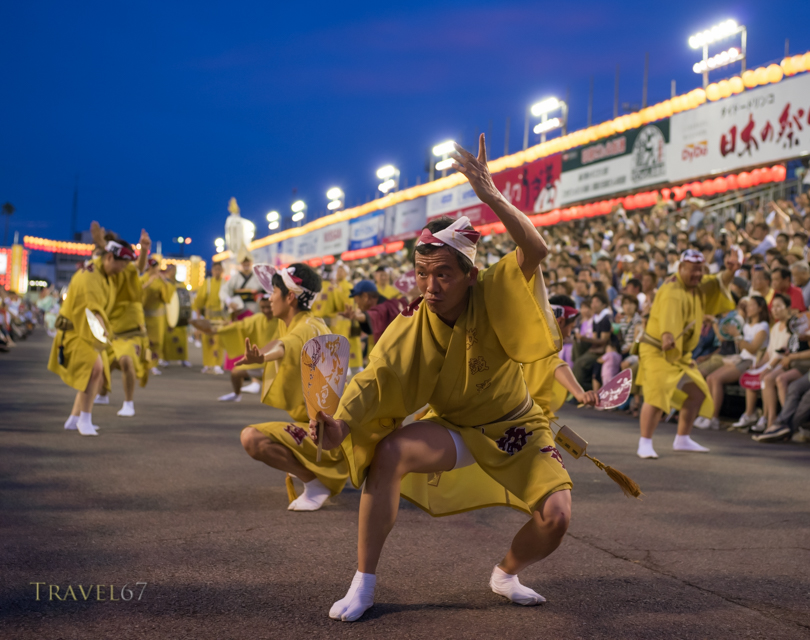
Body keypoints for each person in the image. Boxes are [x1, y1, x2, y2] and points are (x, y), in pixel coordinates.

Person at [314, 137, 571, 622]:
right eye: (421, 275)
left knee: (556, 518)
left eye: (444, 276)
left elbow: (535, 247)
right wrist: (341, 427)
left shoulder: (494, 290)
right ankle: (363, 583)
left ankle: (506, 574)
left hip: (516, 423)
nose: (430, 288)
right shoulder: (410, 327)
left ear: (470, 275)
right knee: (388, 453)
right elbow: (373, 380)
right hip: (455, 429)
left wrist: (492, 196)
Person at [238, 264, 348, 512]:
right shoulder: (308, 322)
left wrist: (263, 359)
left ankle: (317, 483)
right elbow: (286, 342)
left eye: (274, 291)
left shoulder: (305, 329)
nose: (269, 298)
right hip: (331, 430)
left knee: (253, 438)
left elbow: (289, 345)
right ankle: (319, 471)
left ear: (290, 296)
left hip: (330, 436)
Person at [636, 249, 736, 458]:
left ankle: (682, 438)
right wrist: (667, 337)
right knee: (657, 392)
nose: (697, 275)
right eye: (693, 271)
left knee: (697, 392)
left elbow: (717, 283)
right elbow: (669, 318)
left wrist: (730, 271)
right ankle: (644, 442)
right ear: (681, 268)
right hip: (657, 349)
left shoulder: (697, 284)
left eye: (700, 271)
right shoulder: (671, 290)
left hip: (679, 354)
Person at [48, 240, 135, 435]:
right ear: (110, 257)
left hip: (85, 330)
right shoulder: (90, 275)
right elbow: (92, 308)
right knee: (94, 370)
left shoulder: (104, 274)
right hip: (75, 332)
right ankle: (84, 420)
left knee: (97, 374)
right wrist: (102, 329)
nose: (122, 270)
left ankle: (74, 418)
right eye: (122, 265)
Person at [96, 228, 152, 417]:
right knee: (107, 364)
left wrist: (144, 250)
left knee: (126, 361)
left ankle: (129, 403)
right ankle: (102, 394)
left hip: (132, 328)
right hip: (111, 324)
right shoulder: (104, 268)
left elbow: (140, 266)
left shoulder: (127, 267)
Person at [194, 293, 282, 402]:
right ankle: (236, 394)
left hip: (277, 362)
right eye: (263, 307)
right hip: (259, 361)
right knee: (236, 372)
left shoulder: (281, 321)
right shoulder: (258, 319)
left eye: (268, 307)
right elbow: (238, 326)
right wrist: (215, 330)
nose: (266, 310)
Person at [523, 294, 599, 421]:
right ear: (561, 321)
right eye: (571, 327)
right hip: (532, 421)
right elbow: (555, 364)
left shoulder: (526, 336)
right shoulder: (546, 346)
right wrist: (579, 393)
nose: (569, 334)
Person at [703, 296, 770, 430]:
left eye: (751, 305)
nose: (748, 308)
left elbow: (752, 349)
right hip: (740, 358)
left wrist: (737, 336)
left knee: (716, 379)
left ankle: (714, 418)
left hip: (751, 361)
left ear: (760, 308)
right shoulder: (746, 325)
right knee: (710, 378)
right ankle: (707, 415)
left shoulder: (763, 326)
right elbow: (737, 345)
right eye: (747, 305)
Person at [734, 294, 792, 432]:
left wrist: (768, 368)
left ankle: (771, 418)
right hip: (771, 364)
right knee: (753, 374)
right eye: (774, 307)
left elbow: (782, 352)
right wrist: (758, 365)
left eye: (779, 306)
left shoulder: (791, 325)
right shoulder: (776, 326)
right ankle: (758, 416)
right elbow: (769, 352)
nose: (775, 310)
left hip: (781, 364)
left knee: (766, 378)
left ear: (788, 308)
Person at [140, 256, 173, 375]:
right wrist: (148, 284)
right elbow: (138, 294)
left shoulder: (160, 280)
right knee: (145, 342)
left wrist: (165, 283)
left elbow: (167, 299)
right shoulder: (142, 279)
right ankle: (144, 363)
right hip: (144, 315)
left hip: (158, 317)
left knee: (157, 342)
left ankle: (153, 364)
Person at [572, 293, 611, 391]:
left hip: (601, 351)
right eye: (592, 302)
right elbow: (594, 339)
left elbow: (603, 341)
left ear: (604, 305)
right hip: (594, 349)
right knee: (576, 345)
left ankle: (582, 391)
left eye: (597, 302)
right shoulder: (596, 318)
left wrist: (584, 338)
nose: (593, 304)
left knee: (579, 363)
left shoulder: (606, 318)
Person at [193, 262, 227, 374]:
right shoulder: (206, 283)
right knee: (207, 341)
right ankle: (207, 364)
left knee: (218, 341)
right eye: (215, 269)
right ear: (212, 270)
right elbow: (198, 302)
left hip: (220, 318)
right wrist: (198, 319)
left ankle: (217, 364)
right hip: (208, 317)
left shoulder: (225, 284)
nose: (217, 271)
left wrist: (228, 319)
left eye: (219, 269)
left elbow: (229, 302)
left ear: (222, 271)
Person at [161, 264, 192, 367]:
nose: (173, 272)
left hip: (180, 315)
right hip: (168, 314)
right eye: (171, 270)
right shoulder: (164, 283)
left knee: (182, 336)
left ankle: (183, 358)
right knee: (168, 337)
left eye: (174, 270)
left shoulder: (181, 284)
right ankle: (166, 359)